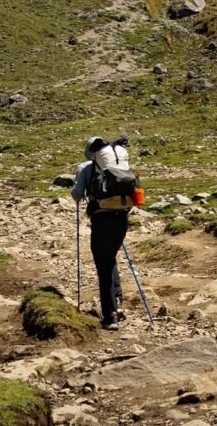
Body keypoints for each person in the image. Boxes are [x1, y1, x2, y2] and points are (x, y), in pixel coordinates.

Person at [72, 135, 131, 330]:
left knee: (103, 265)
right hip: (121, 219)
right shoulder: (119, 166)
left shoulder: (86, 168)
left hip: (101, 220)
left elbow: (76, 194)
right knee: (111, 258)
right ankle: (118, 302)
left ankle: (110, 315)